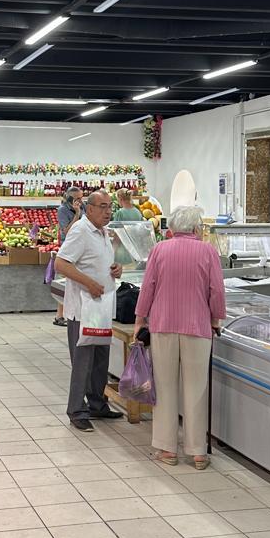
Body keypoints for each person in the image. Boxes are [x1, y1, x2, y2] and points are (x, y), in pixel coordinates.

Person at [133, 205, 226, 468]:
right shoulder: (208, 251)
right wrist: (215, 319)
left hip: (163, 325)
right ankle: (197, 452)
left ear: (172, 228)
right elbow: (217, 291)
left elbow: (148, 287)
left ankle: (167, 449)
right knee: (196, 389)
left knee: (164, 387)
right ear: (197, 227)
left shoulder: (159, 249)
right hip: (198, 327)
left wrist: (139, 319)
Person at [54, 189, 123, 431]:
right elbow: (61, 263)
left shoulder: (103, 232)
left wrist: (115, 269)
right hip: (83, 308)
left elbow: (99, 262)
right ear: (89, 208)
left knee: (101, 360)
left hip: (101, 307)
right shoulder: (81, 231)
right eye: (103, 207)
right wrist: (89, 283)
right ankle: (76, 410)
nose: (108, 211)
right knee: (83, 361)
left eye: (110, 206)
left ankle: (97, 404)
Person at [53, 187, 84, 325]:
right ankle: (59, 315)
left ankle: (74, 314)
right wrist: (77, 214)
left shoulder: (83, 206)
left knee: (75, 282)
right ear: (70, 198)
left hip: (81, 248)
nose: (80, 201)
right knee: (65, 281)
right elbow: (67, 231)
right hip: (68, 249)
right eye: (77, 198)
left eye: (81, 198)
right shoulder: (62, 210)